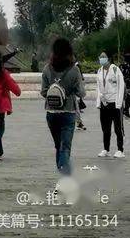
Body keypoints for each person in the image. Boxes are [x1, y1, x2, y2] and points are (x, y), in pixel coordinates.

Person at [41, 37, 84, 176]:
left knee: (58, 146)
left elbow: (43, 92)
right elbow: (81, 93)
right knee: (65, 147)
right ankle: (64, 176)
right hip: (68, 112)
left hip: (51, 113)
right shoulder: (74, 70)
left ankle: (62, 173)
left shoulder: (47, 68)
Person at [96, 52, 125, 159]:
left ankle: (120, 150)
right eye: (100, 57)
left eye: (103, 56)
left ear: (108, 58)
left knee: (118, 128)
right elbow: (98, 87)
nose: (101, 58)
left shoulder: (115, 70)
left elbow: (121, 86)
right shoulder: (100, 70)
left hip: (115, 103)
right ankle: (106, 149)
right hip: (104, 103)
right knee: (105, 128)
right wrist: (99, 101)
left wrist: (119, 103)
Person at [120, 50, 130, 119]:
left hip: (127, 84)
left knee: (128, 98)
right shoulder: (123, 66)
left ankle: (125, 110)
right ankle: (125, 110)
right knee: (128, 97)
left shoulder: (124, 66)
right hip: (126, 84)